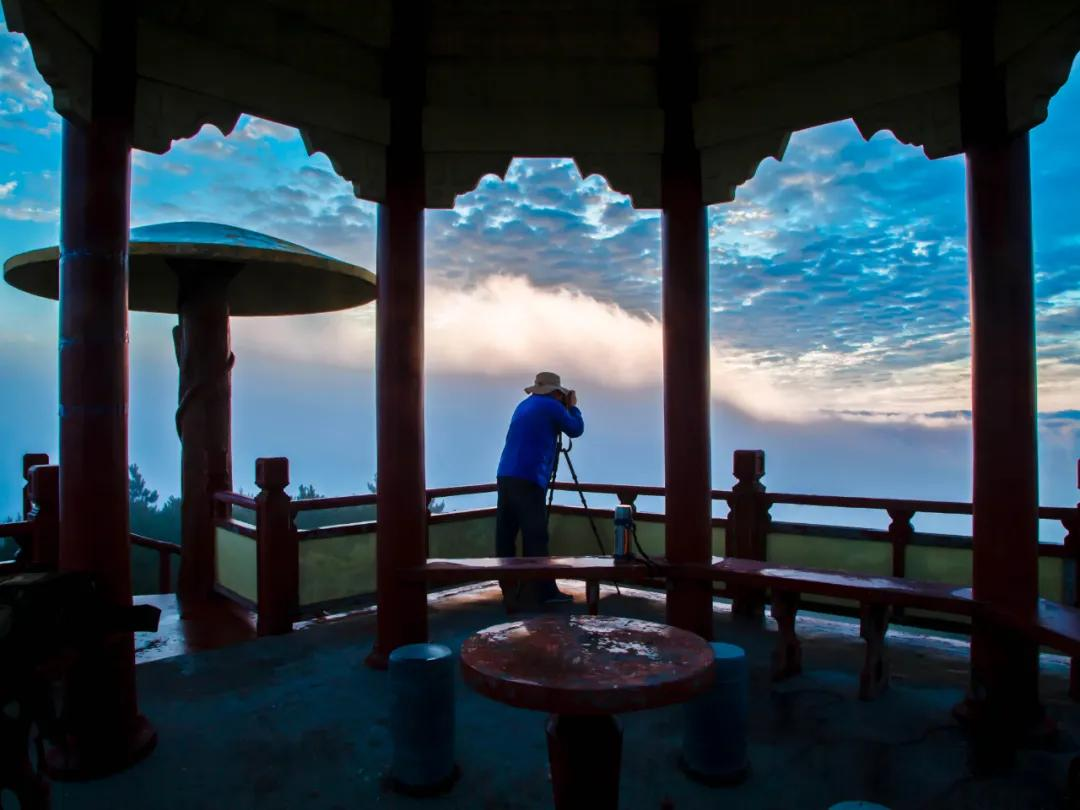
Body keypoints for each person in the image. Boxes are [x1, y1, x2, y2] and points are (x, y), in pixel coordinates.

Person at [495, 371, 585, 604]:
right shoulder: (552, 406)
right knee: (536, 535)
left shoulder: (523, 405)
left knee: (506, 533)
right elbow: (576, 429)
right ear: (556, 392)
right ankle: (544, 592)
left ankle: (510, 588)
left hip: (506, 474)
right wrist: (573, 407)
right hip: (529, 476)